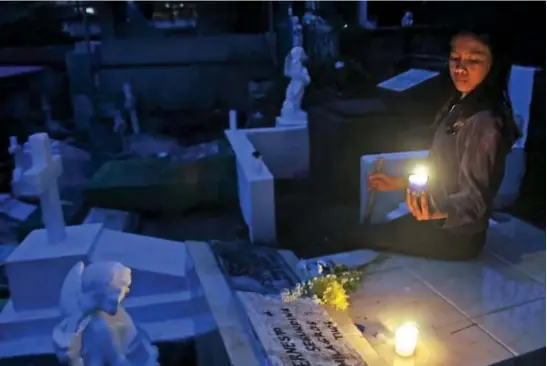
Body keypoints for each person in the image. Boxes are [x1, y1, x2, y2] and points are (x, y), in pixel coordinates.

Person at [340, 26, 521, 261]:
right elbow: (446, 170)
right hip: (439, 224)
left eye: (474, 59)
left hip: (456, 238)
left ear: (495, 65)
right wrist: (400, 182)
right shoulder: (461, 105)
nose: (460, 67)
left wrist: (435, 209)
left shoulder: (483, 123)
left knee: (353, 235)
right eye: (455, 58)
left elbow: (475, 201)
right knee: (361, 230)